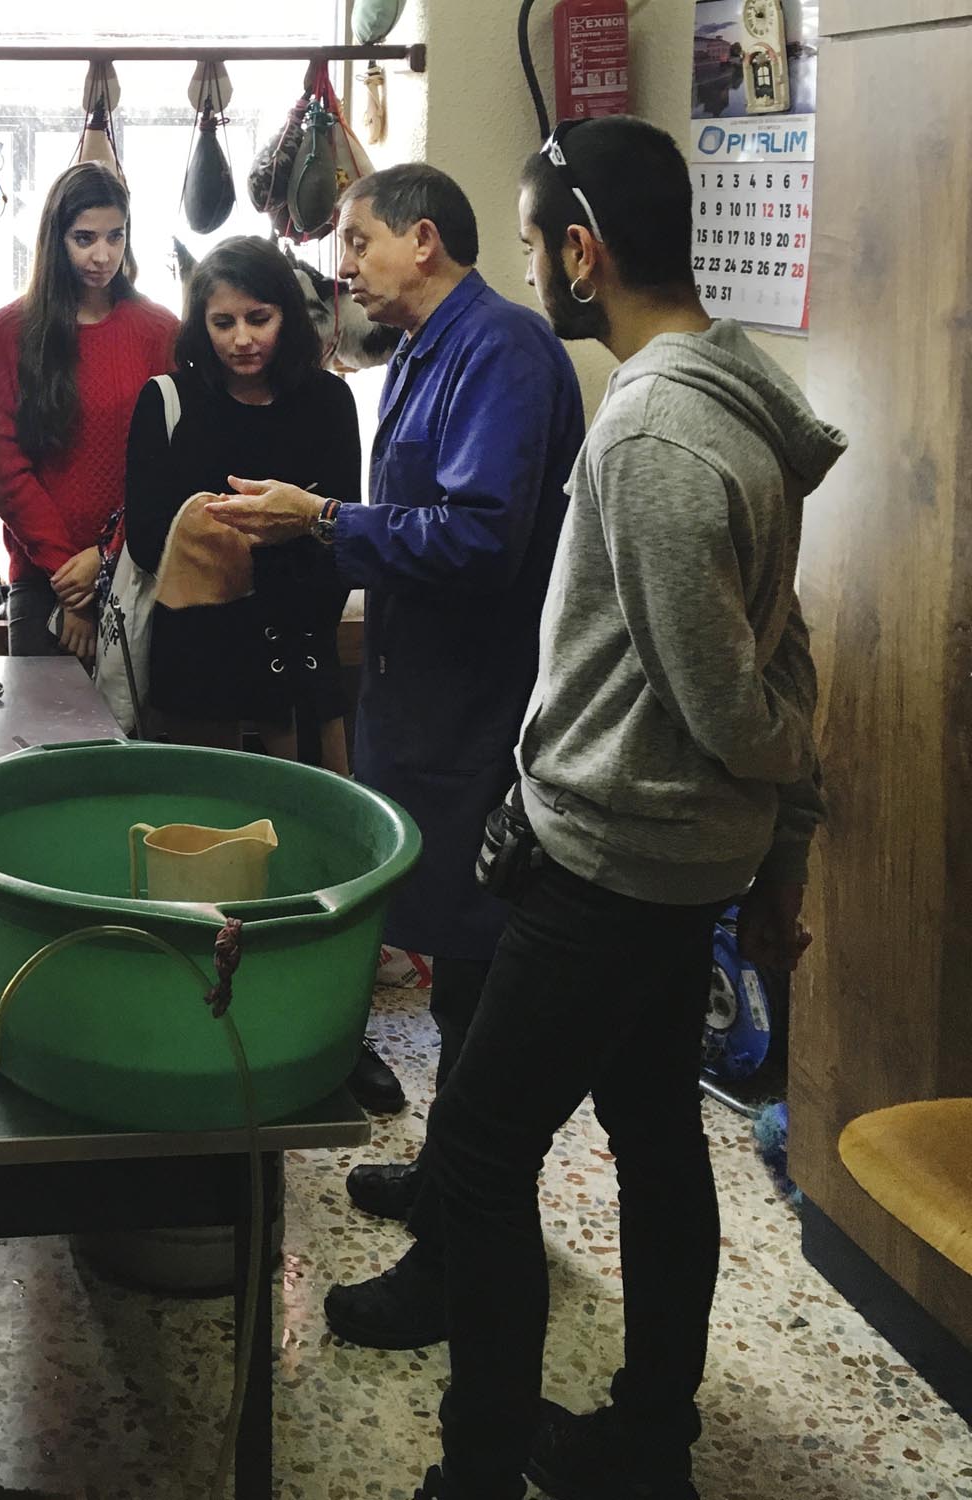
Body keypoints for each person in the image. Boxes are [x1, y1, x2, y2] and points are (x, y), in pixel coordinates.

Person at [387, 116, 842, 1500]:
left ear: (581, 253)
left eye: (534, 246)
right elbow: (779, 648)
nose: (531, 271)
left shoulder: (650, 433)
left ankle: (477, 1474)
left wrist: (788, 796)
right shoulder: (729, 392)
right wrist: (775, 846)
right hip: (675, 858)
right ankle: (648, 1445)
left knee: (478, 1157)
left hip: (614, 865)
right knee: (653, 1135)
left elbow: (734, 701)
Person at [205, 162, 585, 1339]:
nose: (343, 265)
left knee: (477, 980)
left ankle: (458, 1253)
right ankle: (443, 1178)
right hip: (419, 704)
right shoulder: (419, 351)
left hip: (480, 711)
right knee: (449, 974)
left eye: (357, 240)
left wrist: (321, 518)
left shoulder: (504, 350)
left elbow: (476, 540)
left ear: (423, 239)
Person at [126, 236, 356, 763]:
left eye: (259, 318)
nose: (242, 339)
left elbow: (342, 534)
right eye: (223, 323)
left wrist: (222, 535)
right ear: (200, 326)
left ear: (288, 316)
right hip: (198, 663)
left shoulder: (329, 401)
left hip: (299, 657)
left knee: (312, 809)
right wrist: (284, 529)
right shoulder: (167, 400)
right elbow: (148, 540)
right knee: (203, 811)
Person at [0, 161, 178, 661]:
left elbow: (170, 463)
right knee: (46, 714)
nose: (102, 255)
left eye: (115, 236)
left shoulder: (160, 330)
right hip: (45, 580)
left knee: (137, 717)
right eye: (84, 238)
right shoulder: (8, 332)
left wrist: (105, 558)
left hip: (141, 571)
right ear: (56, 238)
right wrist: (68, 575)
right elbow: (1, 465)